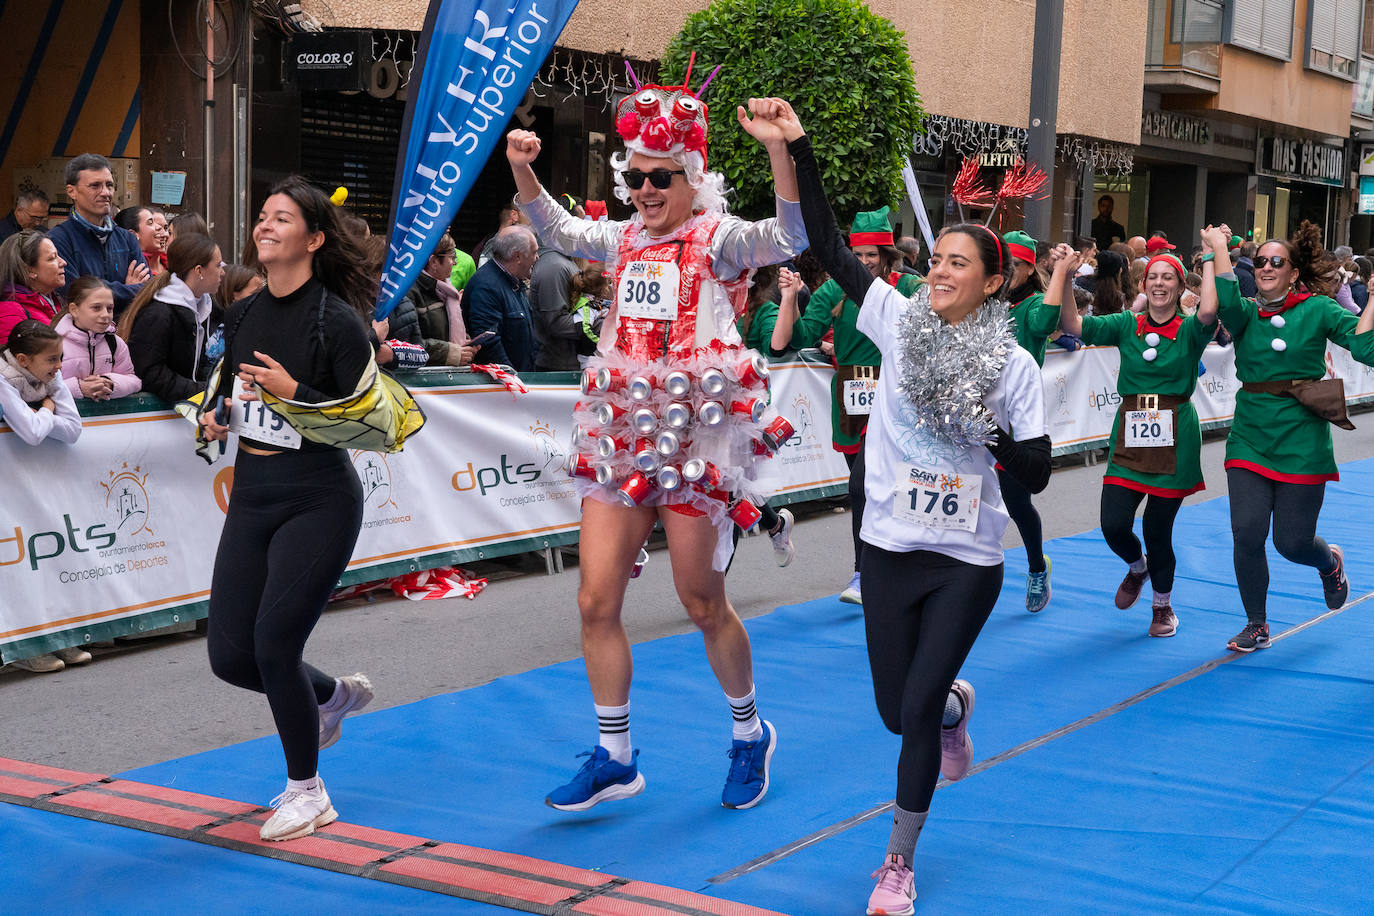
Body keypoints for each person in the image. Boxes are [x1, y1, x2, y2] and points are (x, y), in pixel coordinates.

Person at [777, 102, 1050, 915]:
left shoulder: (1013, 364)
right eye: (937, 257)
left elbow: (1033, 474)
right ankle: (956, 707)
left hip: (966, 558)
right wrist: (799, 141)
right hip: (891, 546)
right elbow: (825, 243)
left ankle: (897, 862)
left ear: (993, 283)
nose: (939, 270)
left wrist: (988, 429)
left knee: (917, 704)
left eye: (959, 263)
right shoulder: (894, 321)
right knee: (899, 711)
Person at [506, 87, 806, 812]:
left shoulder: (720, 238)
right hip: (624, 435)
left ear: (691, 178)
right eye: (633, 176)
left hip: (697, 436)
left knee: (701, 600)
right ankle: (615, 756)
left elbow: (793, 236)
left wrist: (779, 149)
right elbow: (557, 228)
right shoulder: (624, 242)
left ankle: (749, 732)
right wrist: (523, 170)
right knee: (594, 598)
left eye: (658, 177)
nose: (643, 190)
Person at [193, 177, 383, 842]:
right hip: (251, 494)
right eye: (263, 217)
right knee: (228, 656)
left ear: (315, 238)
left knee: (274, 645)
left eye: (282, 219)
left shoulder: (338, 321)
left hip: (319, 497)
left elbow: (371, 426)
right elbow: (226, 395)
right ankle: (329, 696)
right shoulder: (242, 313)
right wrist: (218, 417)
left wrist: (295, 390)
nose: (265, 227)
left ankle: (308, 792)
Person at [1204, 221, 1374, 652]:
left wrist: (1373, 299)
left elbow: (1366, 349)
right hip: (1250, 436)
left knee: (1292, 542)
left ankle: (1329, 562)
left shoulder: (1317, 310)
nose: (1265, 267)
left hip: (1302, 438)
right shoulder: (1244, 312)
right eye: (1260, 260)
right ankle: (1256, 623)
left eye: (1276, 262)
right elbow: (1225, 297)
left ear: (1293, 271)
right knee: (1247, 532)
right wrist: (1218, 248)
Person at [1055, 234, 1219, 637]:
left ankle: (1163, 607)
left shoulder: (1191, 330)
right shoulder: (1127, 324)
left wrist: (1215, 257)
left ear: (1181, 288)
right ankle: (1137, 568)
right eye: (1153, 277)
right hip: (1130, 431)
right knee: (1113, 525)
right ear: (1143, 285)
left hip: (1176, 433)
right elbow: (1073, 324)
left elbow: (1212, 307)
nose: (1159, 283)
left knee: (1157, 532)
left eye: (1168, 278)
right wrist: (1063, 276)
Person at [787, 205, 923, 605]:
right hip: (850, 395)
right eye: (858, 256)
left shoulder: (908, 287)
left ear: (887, 255)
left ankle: (866, 571)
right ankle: (881, 564)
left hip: (895, 396)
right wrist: (790, 299)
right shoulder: (833, 290)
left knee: (863, 485)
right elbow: (799, 337)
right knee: (865, 489)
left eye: (872, 256)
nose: (864, 263)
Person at [0, 319, 84, 674]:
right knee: (15, 564)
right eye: (52, 360)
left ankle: (51, 636)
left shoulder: (52, 375)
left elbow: (74, 430)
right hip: (8, 481)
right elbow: (34, 433)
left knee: (42, 560)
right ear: (22, 358)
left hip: (31, 481)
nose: (59, 367)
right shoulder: (3, 380)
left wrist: (43, 414)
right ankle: (22, 646)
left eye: (60, 358)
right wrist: (48, 409)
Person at [1000, 229, 1060, 612]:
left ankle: (1037, 567)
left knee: (1016, 501)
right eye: (1005, 264)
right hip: (974, 408)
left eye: (1017, 265)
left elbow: (1045, 322)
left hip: (1016, 417)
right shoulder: (986, 300)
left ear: (1029, 268)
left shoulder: (1035, 303)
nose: (1009, 272)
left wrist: (1061, 275)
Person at [118, 234, 225, 404]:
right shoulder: (159, 313)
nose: (223, 272)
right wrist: (203, 390)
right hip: (157, 419)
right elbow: (149, 374)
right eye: (218, 265)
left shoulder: (209, 308)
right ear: (199, 271)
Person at [46, 154, 149, 311]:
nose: (105, 192)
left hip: (127, 331)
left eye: (109, 185)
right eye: (95, 186)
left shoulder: (127, 239)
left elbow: (148, 288)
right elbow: (77, 293)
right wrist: (130, 290)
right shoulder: (58, 240)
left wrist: (104, 292)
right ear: (71, 191)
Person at [463, 225, 538, 371]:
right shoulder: (486, 287)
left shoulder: (514, 282)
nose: (537, 257)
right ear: (517, 256)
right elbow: (488, 344)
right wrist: (512, 379)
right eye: (534, 252)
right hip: (505, 387)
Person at [56, 277, 141, 401]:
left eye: (109, 308)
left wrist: (109, 383)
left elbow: (134, 382)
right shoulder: (54, 344)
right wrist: (79, 388)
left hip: (105, 419)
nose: (105, 314)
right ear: (74, 310)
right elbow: (41, 387)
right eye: (96, 308)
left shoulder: (115, 343)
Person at [404, 234, 474, 367]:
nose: (455, 262)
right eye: (451, 257)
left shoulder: (447, 290)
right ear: (433, 261)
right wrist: (451, 353)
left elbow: (447, 331)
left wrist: (466, 345)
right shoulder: (411, 292)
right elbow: (409, 343)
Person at [530, 215, 584, 371]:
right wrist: (595, 325)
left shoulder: (560, 261)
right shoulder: (554, 266)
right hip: (557, 363)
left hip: (566, 360)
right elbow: (557, 323)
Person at [0, 230, 66, 346]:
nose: (63, 262)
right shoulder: (10, 312)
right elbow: (14, 362)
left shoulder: (55, 300)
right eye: (52, 258)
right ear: (29, 270)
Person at [115, 206, 167, 277]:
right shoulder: (124, 269)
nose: (159, 227)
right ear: (132, 234)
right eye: (150, 222)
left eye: (166, 228)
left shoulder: (171, 264)